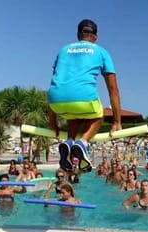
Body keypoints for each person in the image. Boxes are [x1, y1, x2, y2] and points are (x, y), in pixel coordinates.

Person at [47, 19, 122, 173]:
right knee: (98, 114)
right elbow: (113, 90)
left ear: (78, 35)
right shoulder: (101, 51)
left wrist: (52, 122)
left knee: (74, 115)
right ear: (95, 37)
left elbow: (58, 83)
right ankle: (83, 142)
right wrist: (116, 122)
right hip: (84, 99)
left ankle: (69, 142)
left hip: (56, 100)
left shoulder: (63, 50)